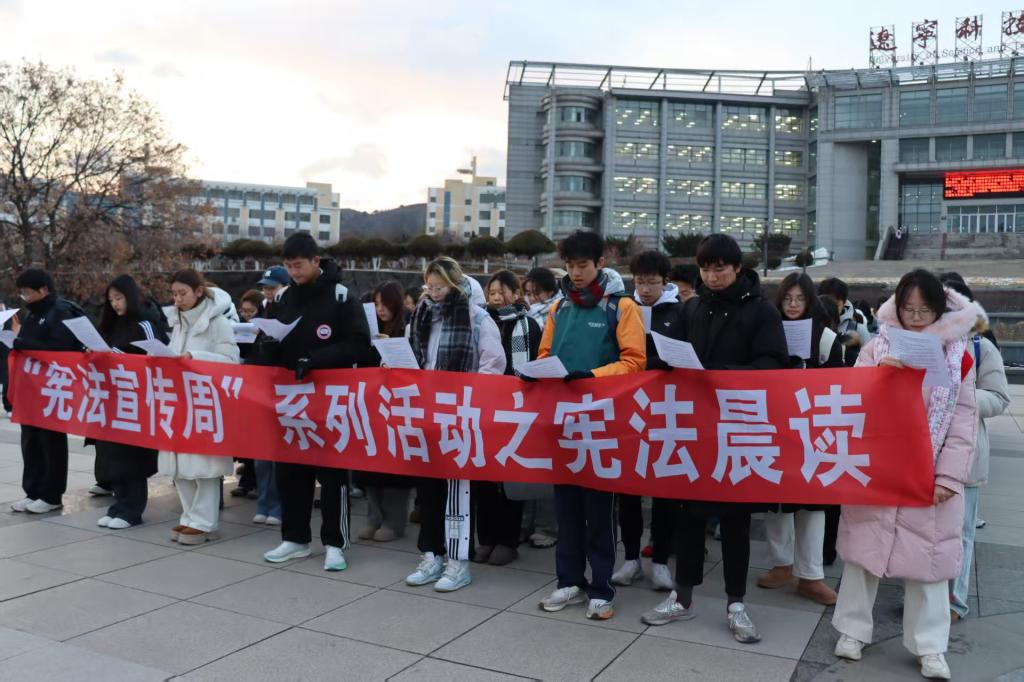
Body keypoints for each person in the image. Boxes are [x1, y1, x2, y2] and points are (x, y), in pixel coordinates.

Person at [832, 269, 979, 680]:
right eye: (908, 309)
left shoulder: (959, 355)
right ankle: (851, 631)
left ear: (940, 310)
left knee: (928, 564)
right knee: (863, 556)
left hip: (927, 471)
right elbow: (851, 399)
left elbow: (963, 422)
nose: (915, 318)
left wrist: (949, 477)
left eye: (924, 310)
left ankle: (930, 647)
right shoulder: (877, 346)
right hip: (879, 468)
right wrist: (881, 377)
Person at [641, 234, 788, 643]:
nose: (712, 276)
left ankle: (736, 603)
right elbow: (672, 352)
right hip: (696, 428)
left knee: (736, 520)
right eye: (706, 269)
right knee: (688, 515)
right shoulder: (692, 308)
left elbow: (775, 364)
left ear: (737, 268)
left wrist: (721, 374)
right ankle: (682, 596)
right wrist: (661, 363)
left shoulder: (760, 311)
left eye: (720, 268)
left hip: (738, 428)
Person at [535, 230, 646, 621]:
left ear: (600, 263)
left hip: (604, 422)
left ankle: (601, 587)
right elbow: (545, 354)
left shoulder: (622, 307)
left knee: (600, 511)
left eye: (582, 265)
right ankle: (569, 581)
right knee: (565, 509)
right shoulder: (558, 308)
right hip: (563, 420)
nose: (575, 273)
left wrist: (592, 376)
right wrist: (538, 371)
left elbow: (634, 362)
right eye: (569, 266)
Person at [258, 233, 371, 571]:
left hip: (330, 399)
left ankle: (335, 543)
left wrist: (317, 359)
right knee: (291, 471)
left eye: (299, 266)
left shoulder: (341, 296)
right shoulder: (283, 298)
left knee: (332, 475)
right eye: (289, 266)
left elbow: (360, 345)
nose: (294, 272)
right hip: (292, 399)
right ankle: (295, 538)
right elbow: (272, 337)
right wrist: (267, 347)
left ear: (315, 261)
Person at [404, 257, 505, 592]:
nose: (434, 293)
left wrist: (469, 393)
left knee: (459, 491)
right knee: (429, 489)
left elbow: (494, 363)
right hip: (426, 410)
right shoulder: (422, 315)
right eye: (429, 287)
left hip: (461, 412)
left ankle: (458, 561)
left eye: (440, 287)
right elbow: (416, 357)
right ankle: (431, 554)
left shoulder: (476, 317)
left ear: (455, 284)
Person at [757, 273, 842, 606]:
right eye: (788, 298)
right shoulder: (768, 331)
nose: (793, 305)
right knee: (777, 502)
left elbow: (839, 385)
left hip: (813, 431)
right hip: (776, 428)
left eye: (800, 299)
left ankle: (811, 575)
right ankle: (782, 564)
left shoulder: (826, 338)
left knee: (813, 504)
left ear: (810, 301)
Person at [611, 250, 685, 592]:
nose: (645, 289)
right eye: (639, 282)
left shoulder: (680, 311)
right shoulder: (624, 308)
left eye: (652, 282)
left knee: (664, 489)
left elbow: (684, 355)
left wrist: (650, 364)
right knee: (627, 488)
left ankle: (660, 561)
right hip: (630, 409)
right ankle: (630, 559)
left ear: (665, 281)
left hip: (667, 409)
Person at [939, 279, 1010, 622]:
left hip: (967, 456)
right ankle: (926, 595)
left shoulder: (982, 347)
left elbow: (998, 397)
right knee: (927, 531)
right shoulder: (925, 343)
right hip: (927, 454)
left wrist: (960, 398)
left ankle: (954, 602)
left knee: (961, 534)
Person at [159, 270, 240, 544]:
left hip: (205, 401)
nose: (177, 299)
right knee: (179, 464)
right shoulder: (177, 321)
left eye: (182, 293)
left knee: (203, 465)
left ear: (198, 291)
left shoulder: (218, 322)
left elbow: (231, 361)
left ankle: (205, 522)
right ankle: (189, 516)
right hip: (177, 400)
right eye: (174, 294)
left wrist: (195, 356)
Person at [471, 270, 542, 566]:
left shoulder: (529, 325)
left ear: (516, 293)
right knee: (483, 478)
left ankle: (507, 540)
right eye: (492, 293)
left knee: (509, 478)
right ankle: (486, 538)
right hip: (483, 409)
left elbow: (535, 366)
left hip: (515, 410)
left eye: (502, 292)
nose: (497, 298)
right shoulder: (479, 322)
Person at [91, 275, 170, 528]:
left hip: (136, 400)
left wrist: (118, 355)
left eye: (119, 298)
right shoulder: (110, 324)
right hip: (112, 398)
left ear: (131, 297)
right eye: (111, 299)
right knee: (112, 455)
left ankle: (132, 510)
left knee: (131, 457)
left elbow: (158, 353)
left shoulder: (144, 323)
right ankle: (118, 506)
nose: (115, 304)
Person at [9, 269, 84, 514]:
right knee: (30, 441)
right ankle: (32, 492)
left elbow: (59, 349)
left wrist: (19, 342)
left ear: (43, 290)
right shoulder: (34, 313)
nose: (24, 297)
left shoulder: (60, 312)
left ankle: (51, 495)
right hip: (31, 389)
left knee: (50, 442)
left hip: (53, 390)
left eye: (27, 292)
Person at [357, 281, 415, 543]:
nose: (381, 310)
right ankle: (374, 518)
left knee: (394, 469)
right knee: (370, 466)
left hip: (399, 407)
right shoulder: (369, 330)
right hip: (371, 405)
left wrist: (391, 347)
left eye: (385, 304)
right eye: (376, 304)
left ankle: (394, 521)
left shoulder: (408, 326)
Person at [818, 277, 871, 366]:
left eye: (835, 305)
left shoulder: (857, 328)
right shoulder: (811, 325)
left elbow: (870, 360)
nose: (830, 308)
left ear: (844, 302)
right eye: (825, 304)